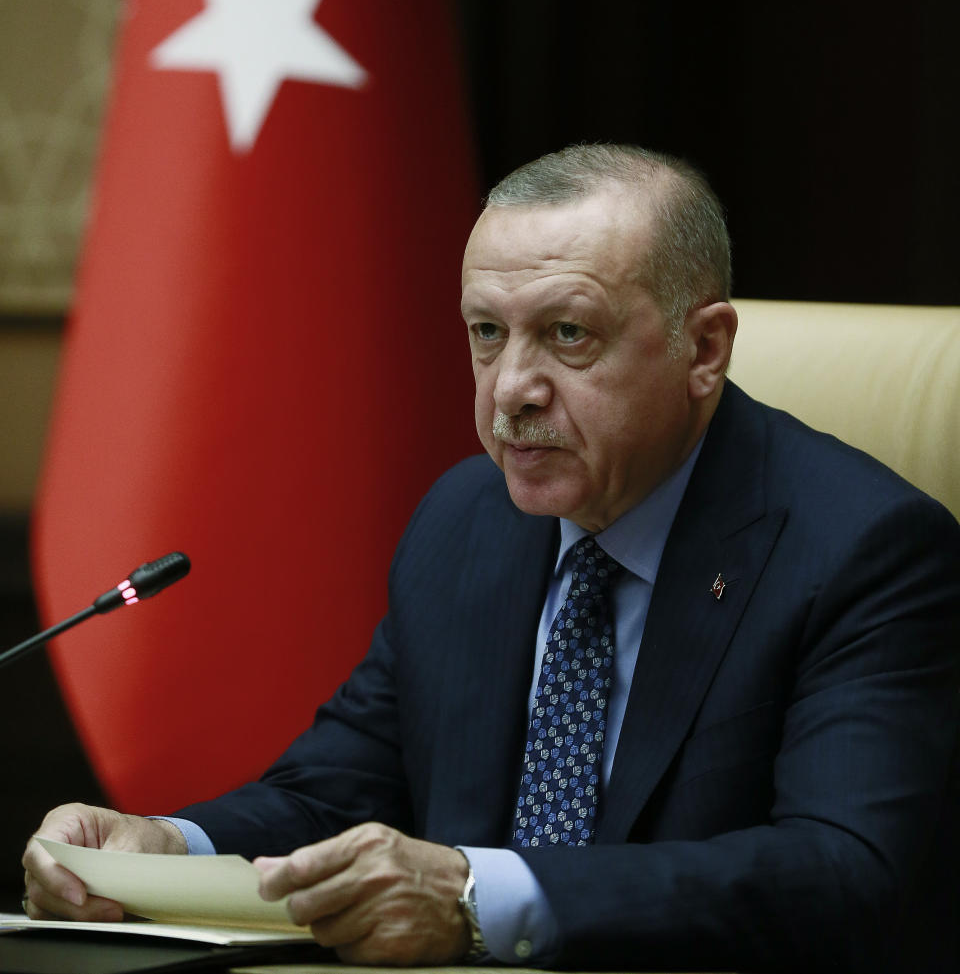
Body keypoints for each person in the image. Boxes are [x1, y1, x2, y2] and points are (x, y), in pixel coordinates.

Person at [22, 144, 960, 971]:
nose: (512, 389)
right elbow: (340, 787)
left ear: (703, 347)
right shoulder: (467, 517)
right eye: (486, 332)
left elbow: (842, 871)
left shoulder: (864, 550)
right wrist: (165, 845)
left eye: (567, 334)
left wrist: (478, 898)